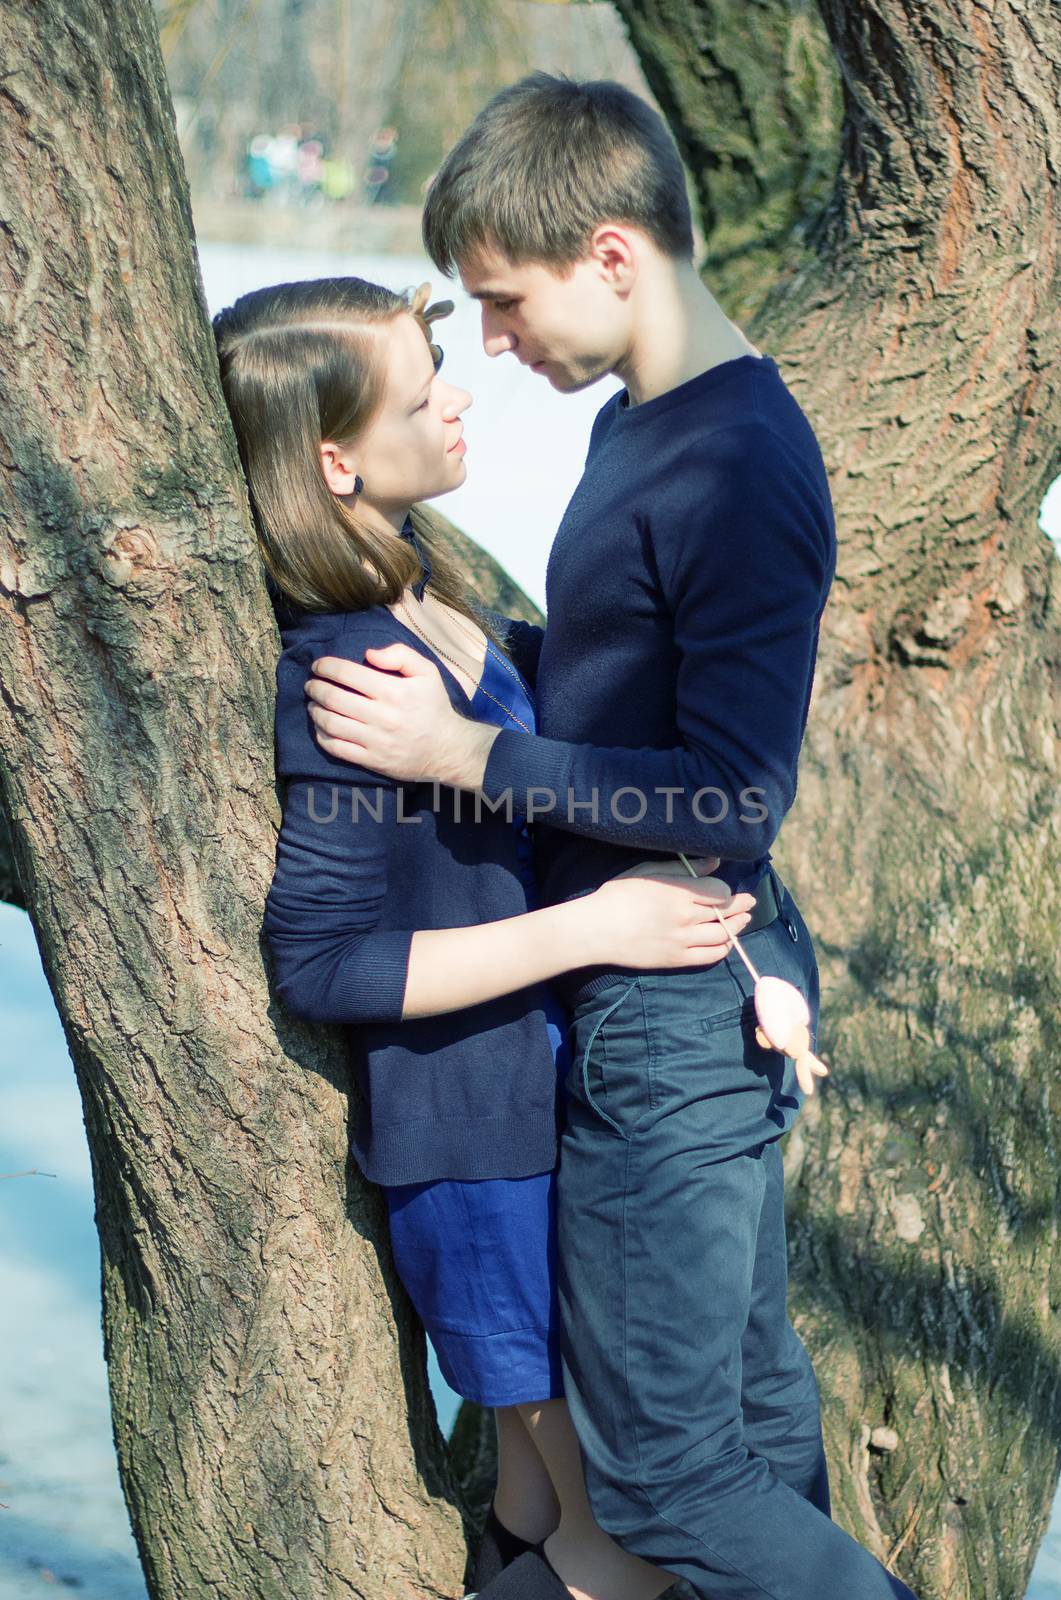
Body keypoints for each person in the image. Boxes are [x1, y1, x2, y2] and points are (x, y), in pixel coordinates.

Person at [302, 75, 922, 1600]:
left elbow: (729, 794)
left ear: (612, 255)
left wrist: (470, 754)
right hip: (675, 988)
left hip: (670, 1008)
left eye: (507, 305)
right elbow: (627, 663)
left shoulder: (739, 463)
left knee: (664, 1479)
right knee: (750, 1434)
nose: (496, 348)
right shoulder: (652, 424)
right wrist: (483, 643)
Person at [211, 274, 758, 1600]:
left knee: (542, 1505)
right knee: (614, 1552)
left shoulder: (434, 604)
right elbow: (325, 962)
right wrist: (598, 923)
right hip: (476, 1154)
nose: (459, 400)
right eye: (421, 392)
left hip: (547, 1111)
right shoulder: (348, 672)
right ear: (335, 459)